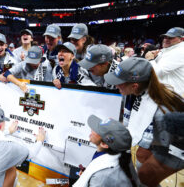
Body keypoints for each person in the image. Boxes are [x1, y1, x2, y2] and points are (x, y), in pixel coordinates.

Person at [104, 57, 184, 186]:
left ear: (135, 86)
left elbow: (172, 152)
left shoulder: (162, 111)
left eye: (118, 82)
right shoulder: (139, 89)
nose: (115, 85)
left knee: (145, 172)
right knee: (142, 157)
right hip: (164, 136)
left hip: (177, 149)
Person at [73, 115, 139, 187]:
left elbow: (103, 179)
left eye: (97, 130)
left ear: (104, 144)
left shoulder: (100, 178)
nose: (91, 129)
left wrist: (91, 178)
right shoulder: (122, 156)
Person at [145, 27, 184, 96]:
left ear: (181, 39)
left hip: (171, 96)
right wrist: (155, 57)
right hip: (165, 93)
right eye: (165, 37)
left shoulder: (179, 51)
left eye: (170, 38)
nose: (166, 40)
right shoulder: (169, 49)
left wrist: (150, 59)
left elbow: (157, 73)